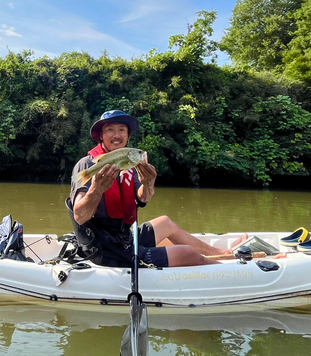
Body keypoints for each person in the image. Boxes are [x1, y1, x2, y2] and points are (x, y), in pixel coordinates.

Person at [69, 110, 247, 268]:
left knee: (165, 222)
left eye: (122, 129)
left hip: (123, 237)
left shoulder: (129, 165)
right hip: (104, 248)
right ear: (101, 135)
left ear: (128, 135)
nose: (117, 134)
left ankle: (223, 253)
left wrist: (148, 183)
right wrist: (96, 190)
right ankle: (234, 271)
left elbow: (142, 199)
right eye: (110, 129)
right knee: (188, 254)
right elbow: (80, 215)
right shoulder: (87, 165)